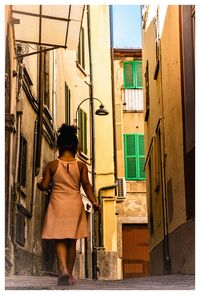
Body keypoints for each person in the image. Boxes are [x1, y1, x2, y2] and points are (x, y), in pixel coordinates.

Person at [37, 124, 99, 285]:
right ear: (75, 147)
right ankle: (70, 275)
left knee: (59, 238)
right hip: (74, 204)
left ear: (59, 145)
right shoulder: (81, 166)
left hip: (57, 203)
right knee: (72, 240)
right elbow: (87, 186)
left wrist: (38, 183)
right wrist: (94, 201)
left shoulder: (52, 165)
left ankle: (63, 269)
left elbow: (44, 186)